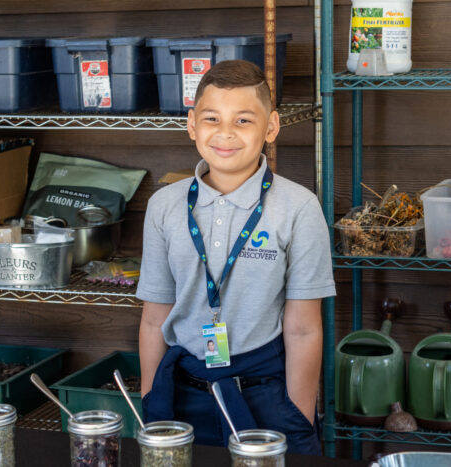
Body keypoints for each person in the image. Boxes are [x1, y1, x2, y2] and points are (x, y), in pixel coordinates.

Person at [136, 59, 335, 455]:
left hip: (265, 394)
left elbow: (303, 329)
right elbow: (154, 317)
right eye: (212, 119)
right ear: (192, 124)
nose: (225, 134)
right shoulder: (163, 206)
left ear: (271, 127)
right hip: (181, 392)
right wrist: (149, 401)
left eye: (243, 120)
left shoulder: (299, 208)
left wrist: (297, 414)